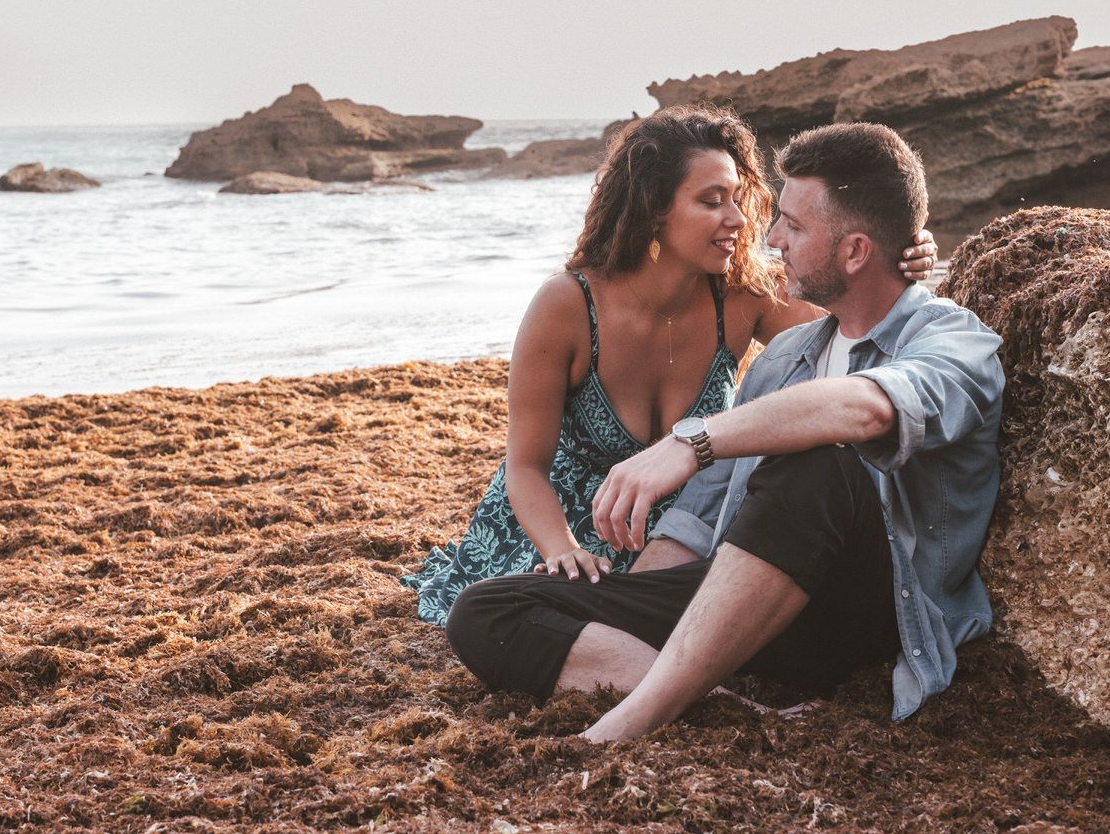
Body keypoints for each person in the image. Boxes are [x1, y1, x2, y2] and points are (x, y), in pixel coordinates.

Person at [444, 122, 1004, 741]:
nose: (766, 237)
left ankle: (631, 721)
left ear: (853, 250)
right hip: (755, 601)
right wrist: (638, 607)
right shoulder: (787, 356)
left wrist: (691, 440)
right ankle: (714, 697)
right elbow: (700, 514)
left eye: (791, 224)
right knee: (486, 610)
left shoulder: (953, 341)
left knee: (817, 463)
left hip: (867, 609)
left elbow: (865, 409)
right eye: (725, 204)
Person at [402, 108, 940, 626]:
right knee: (532, 610)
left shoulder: (743, 295)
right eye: (711, 202)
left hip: (687, 521)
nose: (739, 219)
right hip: (567, 523)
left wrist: (897, 260)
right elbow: (524, 467)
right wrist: (563, 549)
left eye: (737, 198)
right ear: (654, 210)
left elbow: (860, 330)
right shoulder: (567, 306)